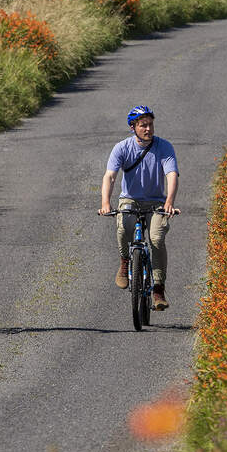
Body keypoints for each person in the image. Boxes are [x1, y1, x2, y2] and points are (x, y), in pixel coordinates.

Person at [98, 104, 179, 310]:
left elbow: (171, 175)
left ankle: (158, 289)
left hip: (156, 202)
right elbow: (110, 176)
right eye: (143, 125)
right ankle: (125, 262)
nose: (148, 129)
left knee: (156, 238)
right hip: (130, 200)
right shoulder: (122, 148)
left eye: (151, 125)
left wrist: (169, 202)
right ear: (133, 127)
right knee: (124, 226)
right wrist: (106, 203)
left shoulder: (164, 147)